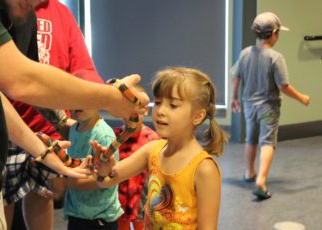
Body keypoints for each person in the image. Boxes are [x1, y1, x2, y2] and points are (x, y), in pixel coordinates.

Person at [0, 0, 148, 229]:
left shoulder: (22, 16)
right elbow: (19, 80)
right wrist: (110, 99)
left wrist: (43, 149)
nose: (36, 3)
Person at [69, 67, 227, 229]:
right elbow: (106, 181)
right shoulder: (152, 150)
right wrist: (104, 169)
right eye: (158, 102)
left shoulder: (204, 168)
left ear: (198, 116)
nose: (160, 111)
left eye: (173, 105)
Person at [3, 1, 106, 229]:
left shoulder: (60, 13)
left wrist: (99, 101)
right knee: (2, 198)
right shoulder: (3, 10)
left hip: (47, 128)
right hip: (5, 128)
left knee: (43, 193)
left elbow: (83, 67)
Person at [231, 12, 311, 200]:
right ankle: (261, 179)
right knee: (267, 141)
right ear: (274, 33)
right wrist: (301, 98)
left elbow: (236, 76)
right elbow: (283, 86)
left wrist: (234, 97)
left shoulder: (245, 53)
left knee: (251, 138)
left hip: (249, 107)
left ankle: (249, 172)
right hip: (268, 108)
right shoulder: (276, 57)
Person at [58, 108, 123, 230]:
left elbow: (103, 180)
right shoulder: (73, 129)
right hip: (76, 213)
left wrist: (65, 184)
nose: (78, 104)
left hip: (100, 218)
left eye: (85, 98)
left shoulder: (104, 135)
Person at [113, 86, 160, 230]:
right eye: (126, 110)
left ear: (144, 110)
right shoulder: (115, 136)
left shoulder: (153, 139)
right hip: (119, 198)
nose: (130, 115)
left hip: (142, 198)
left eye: (135, 110)